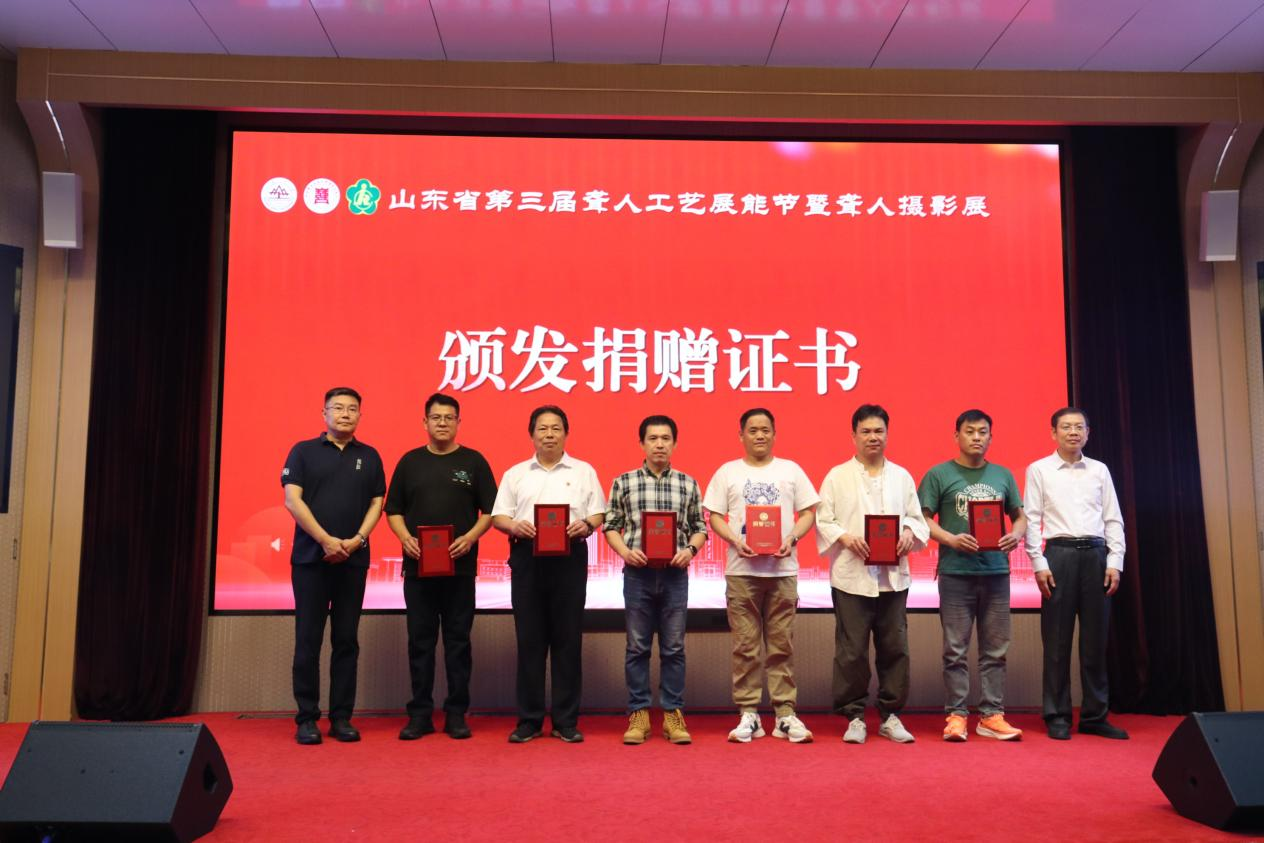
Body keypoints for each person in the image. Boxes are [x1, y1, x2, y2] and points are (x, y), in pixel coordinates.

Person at [703, 408, 819, 744]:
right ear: (741, 435)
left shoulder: (791, 470)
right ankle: (749, 713)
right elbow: (714, 516)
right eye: (752, 430)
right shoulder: (727, 472)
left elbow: (808, 512)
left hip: (783, 570)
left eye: (765, 429)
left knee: (782, 645)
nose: (759, 435)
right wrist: (734, 540)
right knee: (745, 646)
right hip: (742, 572)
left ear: (774, 434)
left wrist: (791, 538)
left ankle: (784, 714)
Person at [385, 393, 496, 741]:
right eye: (436, 417)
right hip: (417, 570)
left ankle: (456, 713)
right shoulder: (410, 462)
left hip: (460, 569)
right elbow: (393, 510)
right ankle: (419, 714)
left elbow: (491, 511)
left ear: (459, 422)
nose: (442, 423)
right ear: (425, 422)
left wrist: (470, 538)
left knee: (458, 642)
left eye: (449, 417)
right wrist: (405, 538)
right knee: (420, 642)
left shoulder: (474, 461)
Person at [491, 405, 605, 744]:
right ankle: (528, 720)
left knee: (568, 640)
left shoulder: (584, 471)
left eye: (556, 428)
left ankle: (565, 721)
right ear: (532, 434)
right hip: (527, 557)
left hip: (570, 557)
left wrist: (586, 525)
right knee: (529, 640)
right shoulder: (516, 474)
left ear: (566, 434)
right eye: (542, 428)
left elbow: (598, 513)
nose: (549, 434)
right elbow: (499, 517)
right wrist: (515, 525)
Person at [816, 404, 927, 745]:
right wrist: (844, 537)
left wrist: (908, 532)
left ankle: (891, 715)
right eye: (865, 431)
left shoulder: (902, 477)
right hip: (851, 577)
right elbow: (824, 520)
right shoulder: (836, 476)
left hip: (893, 578)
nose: (873, 437)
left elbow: (917, 518)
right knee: (851, 651)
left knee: (896, 647)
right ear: (853, 436)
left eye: (879, 431)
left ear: (887, 435)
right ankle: (854, 715)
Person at [281, 387, 385, 745]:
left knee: (346, 641)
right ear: (324, 413)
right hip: (311, 561)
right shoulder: (303, 451)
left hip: (353, 560)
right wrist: (325, 540)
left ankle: (341, 718)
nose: (345, 414)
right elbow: (292, 500)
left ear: (360, 415)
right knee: (308, 641)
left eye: (352, 409)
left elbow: (377, 502)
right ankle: (307, 718)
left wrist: (357, 539)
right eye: (337, 408)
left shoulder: (369, 456)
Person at [918, 409, 1026, 742]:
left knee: (996, 649)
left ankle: (992, 715)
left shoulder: (1003, 475)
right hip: (956, 573)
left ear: (991, 437)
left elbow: (1020, 516)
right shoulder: (938, 474)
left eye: (983, 432)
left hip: (996, 572)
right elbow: (922, 519)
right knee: (955, 649)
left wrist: (1016, 535)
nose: (976, 437)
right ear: (957, 436)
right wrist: (950, 539)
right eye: (969, 431)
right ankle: (957, 715)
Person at [1024, 407, 1129, 741]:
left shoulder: (1099, 470)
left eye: (1079, 427)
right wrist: (1039, 563)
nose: (1073, 432)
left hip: (1096, 555)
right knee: (1056, 642)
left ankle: (1095, 716)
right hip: (1059, 555)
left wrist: (1115, 561)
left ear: (1088, 433)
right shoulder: (1039, 469)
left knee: (1095, 643)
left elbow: (1113, 518)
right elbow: (1031, 519)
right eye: (1066, 427)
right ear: (1053, 432)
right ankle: (1057, 715)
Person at [604, 415, 708, 745]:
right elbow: (610, 525)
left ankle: (673, 714)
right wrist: (625, 552)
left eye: (665, 438)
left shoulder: (688, 483)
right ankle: (639, 713)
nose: (659, 444)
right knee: (637, 647)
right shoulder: (624, 482)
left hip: (675, 575)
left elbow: (700, 527)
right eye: (653, 438)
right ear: (642, 443)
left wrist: (690, 551)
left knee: (674, 648)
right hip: (638, 574)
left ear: (674, 443)